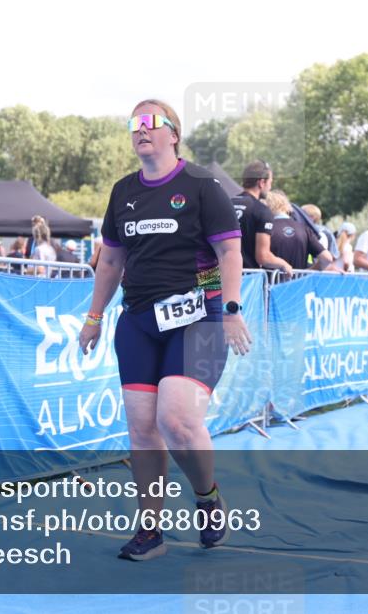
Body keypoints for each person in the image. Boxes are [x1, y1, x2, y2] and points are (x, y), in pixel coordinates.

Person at [77, 98, 250, 561]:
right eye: (134, 123)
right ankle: (150, 530)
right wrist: (94, 317)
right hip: (138, 322)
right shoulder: (123, 191)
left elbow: (230, 254)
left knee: (177, 421)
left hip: (200, 322)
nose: (141, 129)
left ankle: (207, 498)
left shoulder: (202, 186)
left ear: (173, 133)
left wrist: (232, 309)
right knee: (141, 429)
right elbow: (110, 260)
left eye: (151, 122)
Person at [230, 161, 292, 273]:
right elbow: (263, 257)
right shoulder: (261, 210)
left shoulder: (225, 204)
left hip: (214, 277)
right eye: (270, 182)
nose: (270, 187)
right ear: (262, 182)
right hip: (245, 279)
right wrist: (284, 264)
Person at [264, 190, 335, 271]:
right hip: (298, 282)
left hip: (271, 281)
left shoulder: (266, 228)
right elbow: (327, 258)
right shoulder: (304, 229)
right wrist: (308, 272)